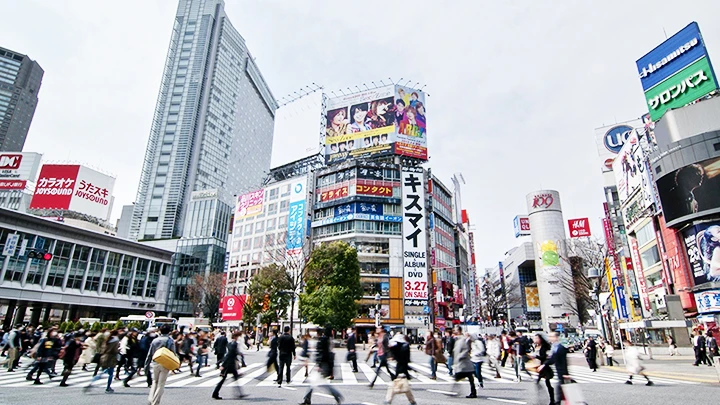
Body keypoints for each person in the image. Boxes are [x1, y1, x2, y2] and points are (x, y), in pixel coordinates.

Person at [300, 326, 343, 405]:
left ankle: (337, 395)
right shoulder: (328, 340)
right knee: (314, 382)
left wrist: (318, 365)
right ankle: (307, 399)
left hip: (322, 365)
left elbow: (321, 354)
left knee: (318, 382)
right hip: (325, 364)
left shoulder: (322, 340)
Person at [384, 332, 416, 405]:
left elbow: (395, 353)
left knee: (394, 386)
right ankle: (412, 401)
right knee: (405, 387)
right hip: (403, 368)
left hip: (401, 369)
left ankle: (388, 400)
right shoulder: (405, 346)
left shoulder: (400, 346)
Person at [146, 326, 176, 404]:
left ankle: (150, 398)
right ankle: (155, 402)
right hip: (165, 363)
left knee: (154, 381)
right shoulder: (170, 340)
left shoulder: (155, 340)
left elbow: (150, 353)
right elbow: (173, 353)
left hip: (155, 362)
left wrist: (146, 364)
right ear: (169, 332)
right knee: (161, 384)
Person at [84, 329, 120, 393]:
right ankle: (108, 387)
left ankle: (92, 381)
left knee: (102, 372)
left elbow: (103, 349)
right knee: (110, 374)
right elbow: (115, 350)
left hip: (104, 357)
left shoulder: (107, 340)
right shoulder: (116, 341)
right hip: (111, 358)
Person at [545, 332, 571, 405]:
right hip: (560, 373)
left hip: (562, 373)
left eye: (551, 336)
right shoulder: (554, 347)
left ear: (556, 338)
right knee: (562, 393)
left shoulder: (560, 348)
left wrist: (565, 373)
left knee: (561, 393)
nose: (550, 338)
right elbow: (553, 359)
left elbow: (564, 362)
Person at [451, 328, 478, 398]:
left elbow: (466, 350)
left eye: (455, 330)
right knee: (469, 378)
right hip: (463, 363)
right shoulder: (459, 340)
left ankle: (456, 391)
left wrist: (459, 357)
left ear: (459, 331)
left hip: (464, 363)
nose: (454, 332)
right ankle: (473, 392)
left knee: (458, 377)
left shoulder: (462, 340)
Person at [534, 334, 556, 405]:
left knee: (547, 383)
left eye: (537, 338)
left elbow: (544, 357)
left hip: (545, 367)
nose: (535, 340)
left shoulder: (545, 347)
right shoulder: (539, 346)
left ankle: (552, 400)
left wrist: (536, 356)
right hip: (542, 367)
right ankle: (546, 399)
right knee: (540, 382)